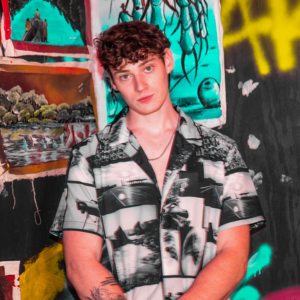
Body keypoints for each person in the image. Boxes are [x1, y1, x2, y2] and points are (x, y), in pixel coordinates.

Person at [50, 21, 265, 300]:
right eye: (125, 76)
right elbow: (80, 265)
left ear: (168, 60)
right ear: (112, 82)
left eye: (147, 68)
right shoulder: (90, 157)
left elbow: (233, 255)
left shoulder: (222, 152)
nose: (140, 86)